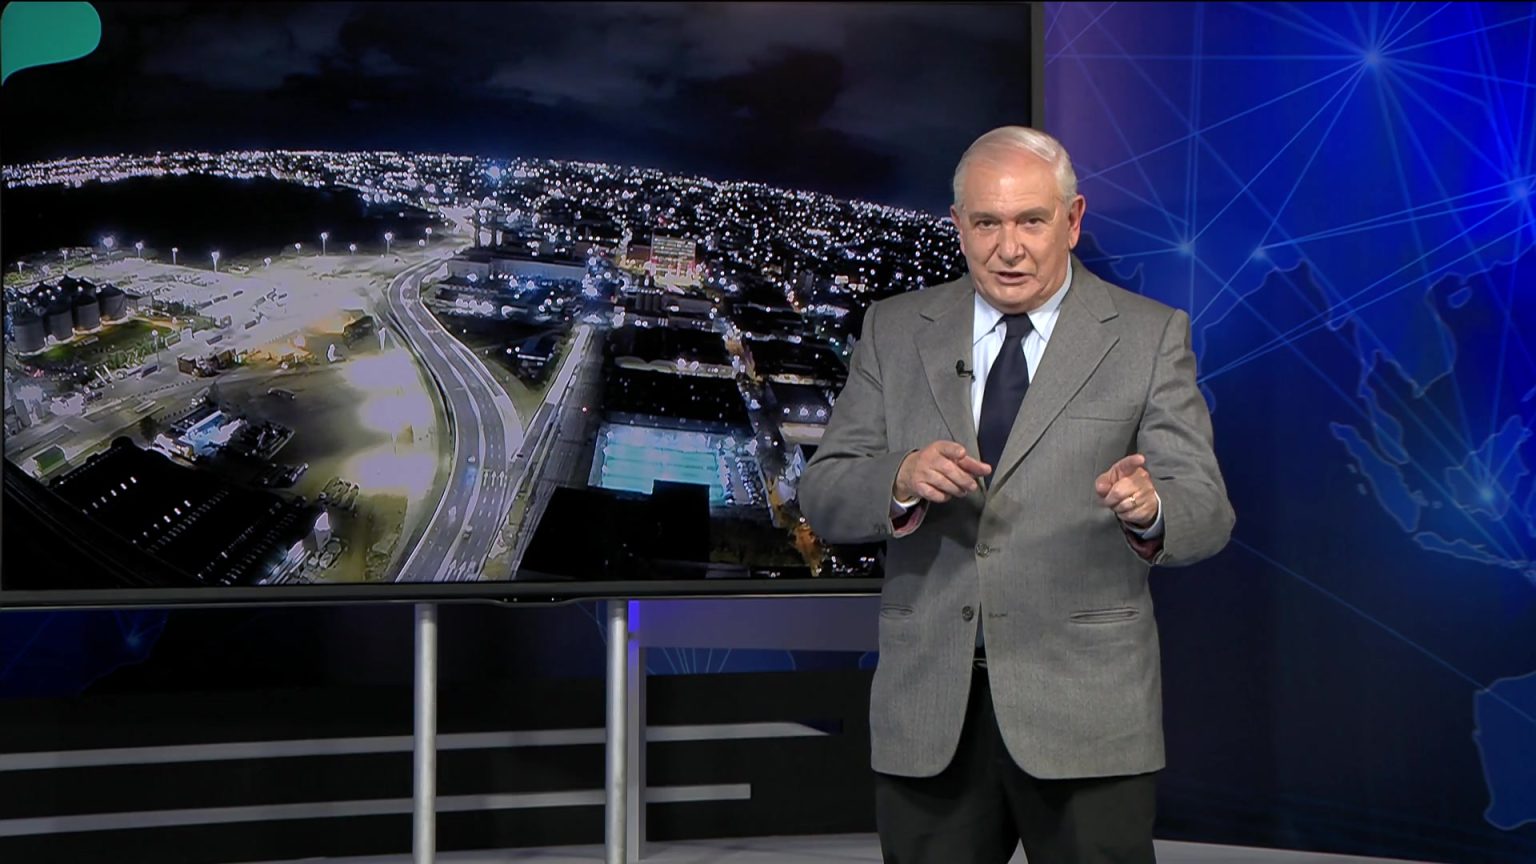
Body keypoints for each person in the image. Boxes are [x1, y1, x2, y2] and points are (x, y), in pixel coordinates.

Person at [798, 126, 1235, 863]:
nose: (1009, 248)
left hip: (1086, 710)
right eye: (987, 223)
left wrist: (1151, 508)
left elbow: (1207, 511)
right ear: (958, 225)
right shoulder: (895, 330)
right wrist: (899, 478)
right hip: (930, 707)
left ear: (1073, 219)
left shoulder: (1148, 336)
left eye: (1032, 221)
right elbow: (825, 494)